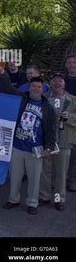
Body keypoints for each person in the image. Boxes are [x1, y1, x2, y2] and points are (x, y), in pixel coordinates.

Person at [3, 77, 57, 215]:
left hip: (35, 149)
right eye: (33, 86)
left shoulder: (47, 108)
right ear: (29, 87)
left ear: (43, 89)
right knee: (15, 176)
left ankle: (33, 202)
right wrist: (3, 73)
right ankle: (13, 199)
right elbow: (8, 87)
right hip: (17, 146)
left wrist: (48, 147)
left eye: (39, 86)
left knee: (34, 179)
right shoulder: (21, 99)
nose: (36, 89)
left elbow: (51, 129)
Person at [39, 73, 76, 210]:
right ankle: (44, 196)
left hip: (64, 141)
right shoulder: (43, 99)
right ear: (51, 84)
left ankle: (58, 200)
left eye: (60, 81)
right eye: (54, 82)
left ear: (64, 84)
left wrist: (70, 117)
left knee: (61, 173)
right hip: (46, 141)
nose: (57, 84)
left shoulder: (73, 100)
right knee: (45, 171)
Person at [63, 54, 76, 192]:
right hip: (61, 117)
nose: (72, 65)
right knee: (62, 150)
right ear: (66, 65)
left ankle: (72, 180)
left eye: (74, 62)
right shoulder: (61, 80)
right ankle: (60, 179)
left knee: (74, 153)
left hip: (74, 118)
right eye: (69, 62)